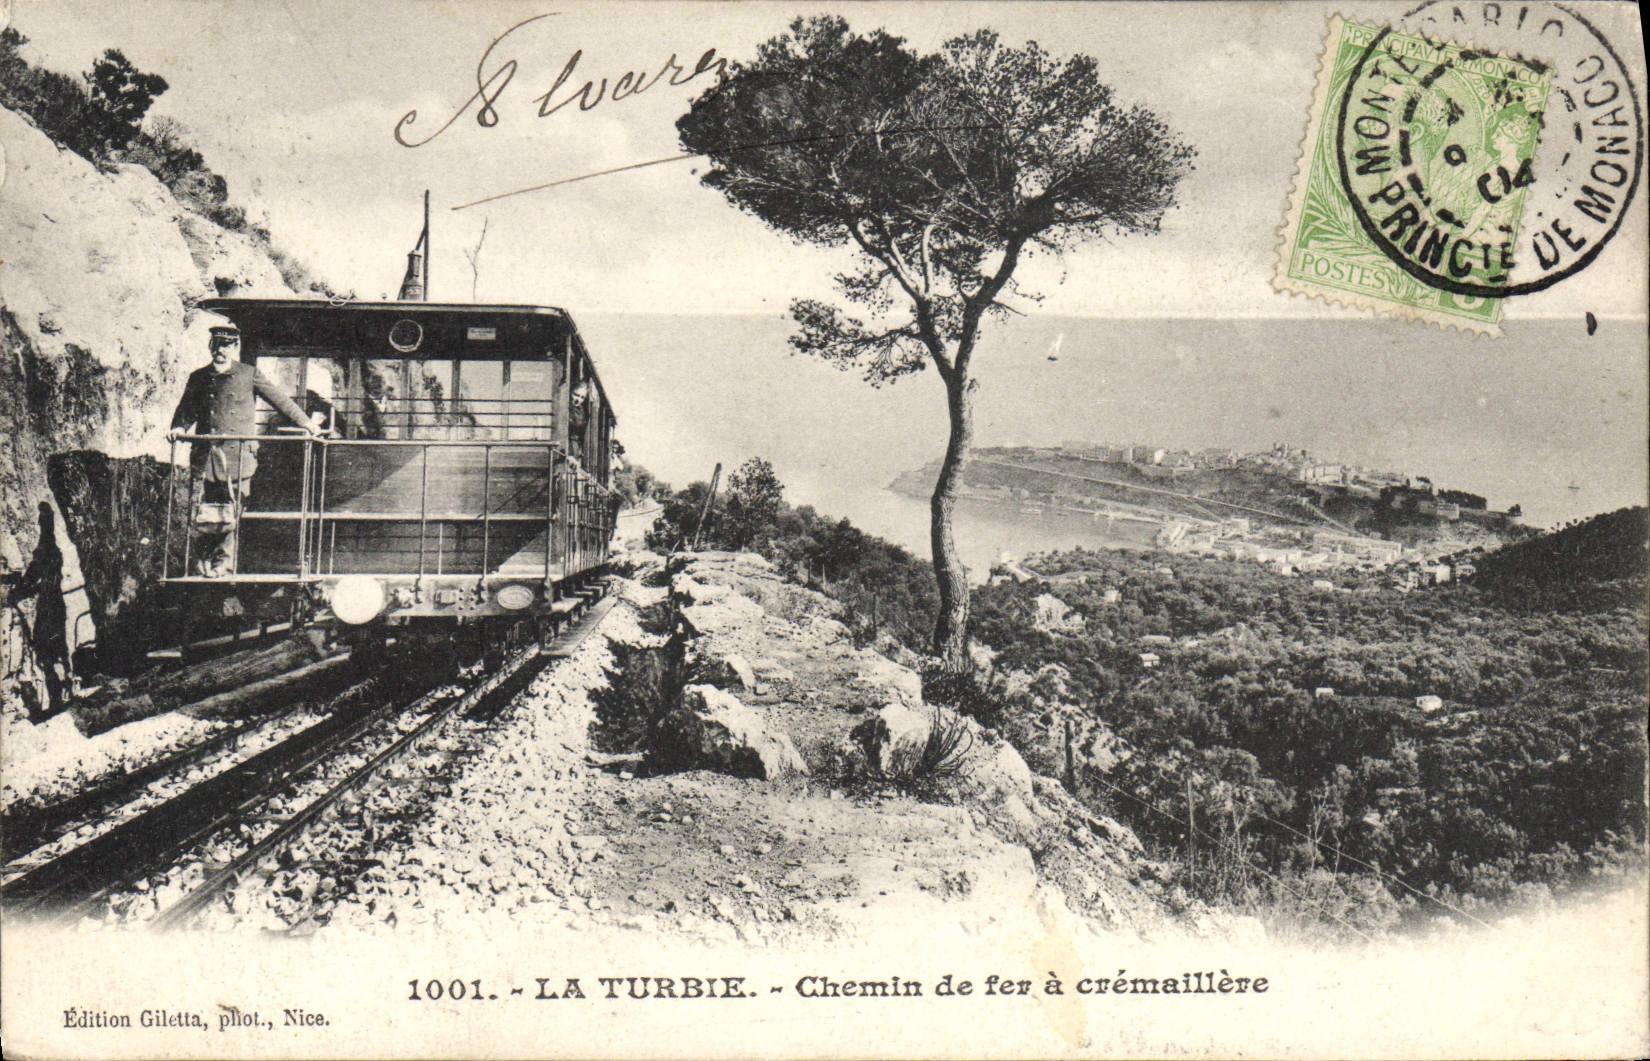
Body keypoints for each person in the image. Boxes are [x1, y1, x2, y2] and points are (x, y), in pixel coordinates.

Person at [168, 323, 316, 576]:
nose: (220, 351)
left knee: (232, 512)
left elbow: (279, 399)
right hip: (207, 457)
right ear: (210, 346)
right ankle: (204, 562)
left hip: (238, 458)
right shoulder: (199, 377)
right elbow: (187, 410)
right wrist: (178, 427)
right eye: (216, 345)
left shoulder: (249, 374)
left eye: (226, 346)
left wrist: (306, 423)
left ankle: (223, 564)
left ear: (235, 347)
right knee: (206, 513)